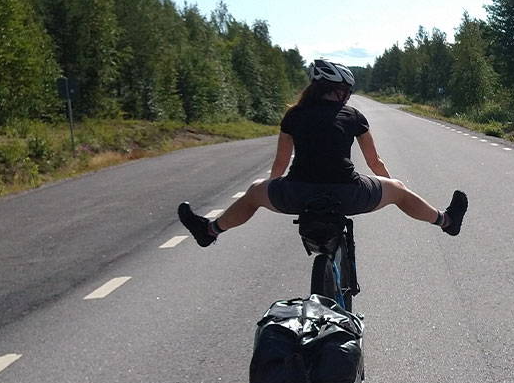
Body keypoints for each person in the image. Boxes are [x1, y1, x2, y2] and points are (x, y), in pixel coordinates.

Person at [176, 59, 468, 262]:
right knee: (399, 189)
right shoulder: (353, 116)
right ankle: (447, 221)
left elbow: (280, 163)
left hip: (297, 193)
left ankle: (209, 230)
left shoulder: (293, 115)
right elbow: (375, 162)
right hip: (349, 194)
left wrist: (273, 189)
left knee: (253, 192)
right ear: (341, 91)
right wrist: (390, 186)